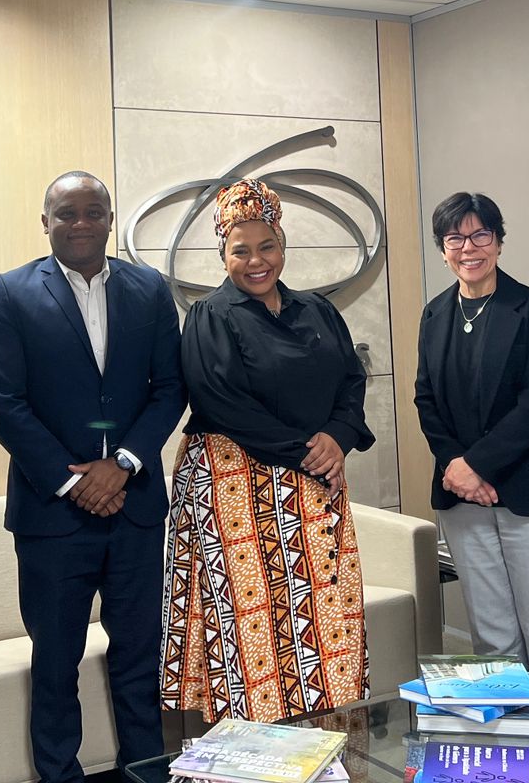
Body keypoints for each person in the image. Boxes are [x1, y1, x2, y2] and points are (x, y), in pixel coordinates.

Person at [0, 171, 185, 783]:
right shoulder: (11, 292)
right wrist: (74, 481)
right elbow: (3, 401)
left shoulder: (148, 288)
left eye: (94, 212)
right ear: (45, 222)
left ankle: (145, 771)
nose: (81, 224)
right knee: (55, 661)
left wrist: (122, 464)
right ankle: (59, 774)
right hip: (52, 513)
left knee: (140, 655)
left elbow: (170, 388)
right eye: (66, 213)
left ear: (110, 220)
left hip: (135, 506)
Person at [163, 177, 375, 723]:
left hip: (315, 486)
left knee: (325, 620)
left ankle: (331, 747)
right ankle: (254, 758)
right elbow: (221, 401)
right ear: (223, 254)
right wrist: (309, 451)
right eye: (241, 251)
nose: (256, 261)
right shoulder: (211, 315)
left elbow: (351, 380)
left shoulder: (317, 310)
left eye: (267, 247)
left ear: (283, 246)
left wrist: (339, 437)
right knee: (252, 632)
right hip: (236, 490)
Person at [413, 192, 529, 769]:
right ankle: (510, 769)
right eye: (456, 239)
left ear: (499, 240)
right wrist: (456, 469)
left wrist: (478, 467)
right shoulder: (435, 314)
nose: (469, 248)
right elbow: (426, 400)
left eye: (480, 235)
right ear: (443, 249)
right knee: (494, 648)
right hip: (464, 503)